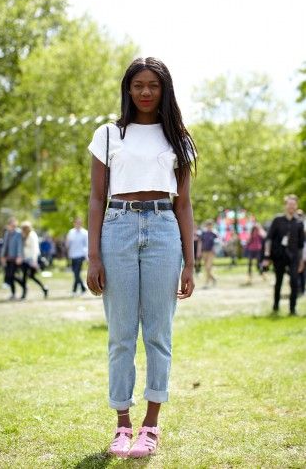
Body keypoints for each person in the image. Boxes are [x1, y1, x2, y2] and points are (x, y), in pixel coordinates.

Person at [87, 57, 197, 458]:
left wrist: (191, 261)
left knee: (158, 333)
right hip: (117, 227)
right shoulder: (108, 134)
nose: (146, 92)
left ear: (164, 90)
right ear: (128, 90)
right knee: (120, 335)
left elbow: (183, 205)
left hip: (164, 230)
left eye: (153, 85)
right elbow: (97, 197)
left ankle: (151, 425)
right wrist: (93, 256)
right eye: (138, 85)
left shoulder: (179, 139)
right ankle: (122, 425)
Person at [263, 195, 305, 315]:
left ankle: (292, 309)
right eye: (289, 204)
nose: (291, 207)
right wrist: (267, 256)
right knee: (279, 281)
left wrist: (302, 260)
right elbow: (269, 239)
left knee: (294, 282)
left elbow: (301, 245)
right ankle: (275, 307)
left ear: (296, 206)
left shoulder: (299, 222)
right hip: (279, 256)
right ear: (285, 205)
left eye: (294, 204)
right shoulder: (277, 220)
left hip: (294, 257)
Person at [20, 221, 48, 300]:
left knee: (31, 276)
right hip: (25, 259)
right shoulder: (24, 236)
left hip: (31, 259)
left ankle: (44, 288)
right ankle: (24, 294)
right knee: (26, 277)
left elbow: (35, 249)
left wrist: (34, 261)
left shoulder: (32, 235)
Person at [0, 217, 24, 300]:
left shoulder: (18, 233)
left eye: (14, 225)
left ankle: (24, 285)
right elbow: (5, 246)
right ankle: (13, 294)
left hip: (15, 258)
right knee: (10, 276)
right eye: (11, 224)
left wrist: (20, 256)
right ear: (9, 225)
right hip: (8, 258)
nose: (13, 226)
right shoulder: (7, 233)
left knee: (12, 275)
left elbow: (20, 245)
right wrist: (2, 256)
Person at [66, 218, 88, 297]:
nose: (77, 224)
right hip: (73, 255)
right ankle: (82, 288)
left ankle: (74, 290)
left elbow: (87, 245)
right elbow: (68, 244)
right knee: (76, 273)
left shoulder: (84, 233)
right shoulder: (71, 232)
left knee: (76, 273)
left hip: (81, 255)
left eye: (79, 223)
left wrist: (87, 257)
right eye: (76, 223)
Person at [201, 219, 218, 288]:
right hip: (204, 251)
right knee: (206, 268)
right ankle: (213, 279)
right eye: (208, 225)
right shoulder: (204, 233)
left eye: (210, 225)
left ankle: (207, 282)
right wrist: (199, 251)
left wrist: (215, 250)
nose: (209, 226)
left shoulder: (214, 234)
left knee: (208, 267)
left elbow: (217, 243)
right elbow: (201, 242)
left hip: (211, 252)